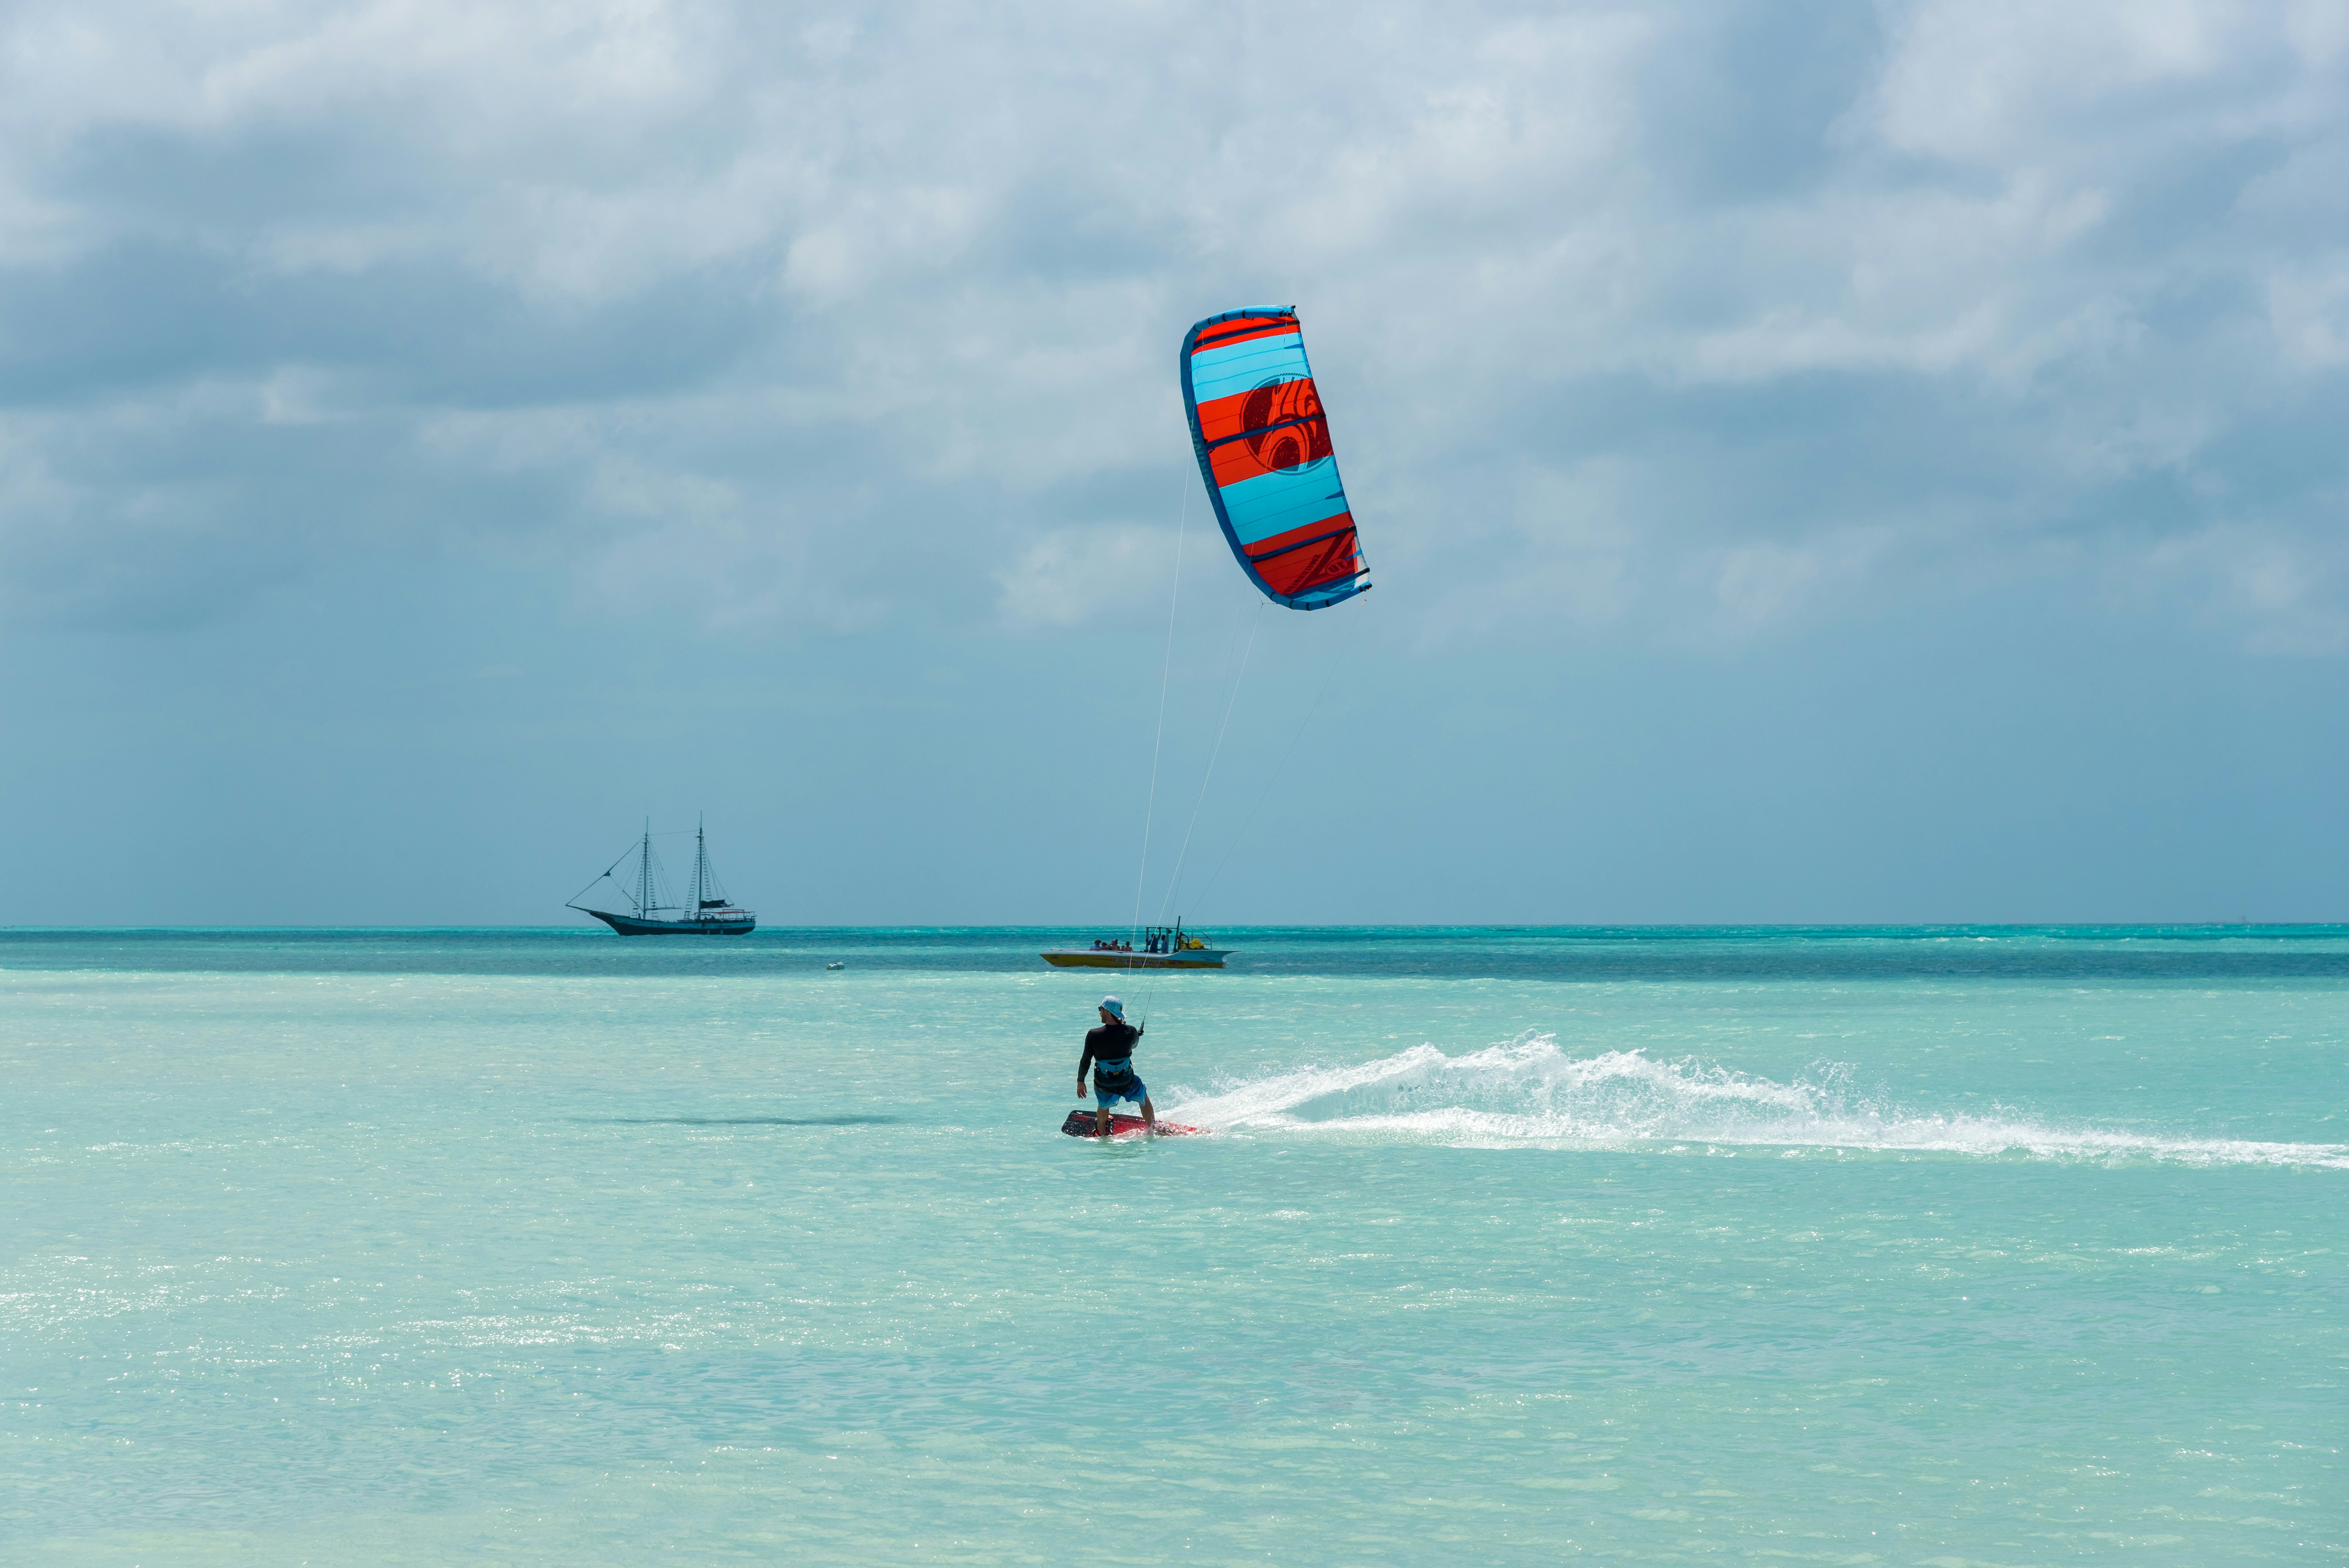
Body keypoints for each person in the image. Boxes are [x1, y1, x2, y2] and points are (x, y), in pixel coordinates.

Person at [1077, 995, 1153, 1136]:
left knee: (1103, 1105)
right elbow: (1134, 1045)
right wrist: (1126, 1029)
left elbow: (1085, 1060)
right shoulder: (1130, 1031)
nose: (1099, 1011)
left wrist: (1081, 1081)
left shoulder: (1094, 1035)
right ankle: (1152, 1129)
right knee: (1143, 1096)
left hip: (1104, 1083)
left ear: (1107, 1011)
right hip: (1127, 1081)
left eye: (1101, 1009)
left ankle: (1101, 1132)